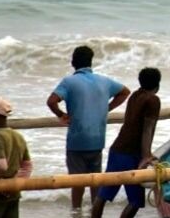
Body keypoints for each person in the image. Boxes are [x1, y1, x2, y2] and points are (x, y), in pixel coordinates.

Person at [47, 45, 130, 209]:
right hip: (97, 139)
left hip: (77, 140)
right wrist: (106, 108)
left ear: (73, 63)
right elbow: (125, 92)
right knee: (95, 180)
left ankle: (76, 213)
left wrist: (61, 114)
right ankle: (95, 212)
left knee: (77, 182)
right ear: (91, 62)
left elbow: (51, 101)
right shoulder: (104, 81)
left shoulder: (69, 82)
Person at [90, 67, 161, 218]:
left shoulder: (135, 95)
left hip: (117, 150)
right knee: (136, 201)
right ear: (157, 84)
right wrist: (146, 156)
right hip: (131, 154)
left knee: (103, 195)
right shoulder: (153, 100)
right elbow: (147, 128)